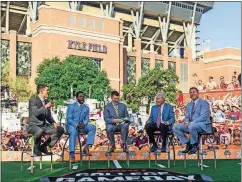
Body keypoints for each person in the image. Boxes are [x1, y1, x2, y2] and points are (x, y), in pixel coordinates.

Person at [173, 87, 212, 155]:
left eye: (194, 92)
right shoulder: (188, 105)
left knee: (191, 126)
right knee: (175, 127)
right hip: (191, 125)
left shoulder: (204, 103)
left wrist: (191, 122)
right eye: (191, 92)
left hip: (203, 124)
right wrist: (186, 122)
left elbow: (203, 117)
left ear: (198, 93)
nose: (192, 93)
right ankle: (188, 144)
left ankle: (194, 145)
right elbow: (187, 117)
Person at [28, 85, 64, 156]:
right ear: (41, 91)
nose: (48, 91)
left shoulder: (47, 101)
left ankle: (44, 146)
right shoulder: (33, 100)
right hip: (33, 125)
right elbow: (36, 113)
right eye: (47, 90)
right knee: (39, 131)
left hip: (43, 125)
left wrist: (53, 122)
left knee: (60, 129)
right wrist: (46, 106)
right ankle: (36, 147)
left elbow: (48, 116)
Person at [66, 91, 96, 162]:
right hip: (71, 126)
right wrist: (76, 125)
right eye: (80, 96)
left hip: (81, 126)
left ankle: (86, 147)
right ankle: (72, 154)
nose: (82, 98)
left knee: (92, 127)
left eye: (83, 96)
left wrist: (84, 123)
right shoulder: (71, 107)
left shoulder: (86, 108)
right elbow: (69, 119)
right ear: (76, 98)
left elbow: (86, 119)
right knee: (73, 131)